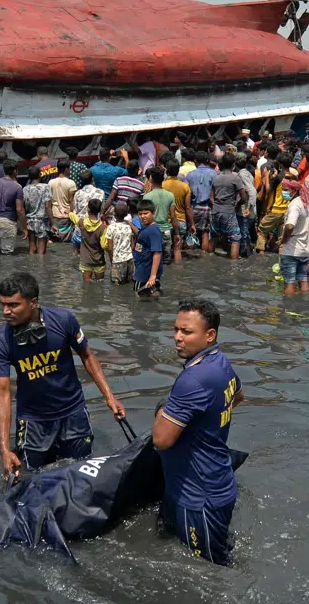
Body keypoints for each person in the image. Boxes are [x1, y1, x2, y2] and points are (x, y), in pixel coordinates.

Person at [0, 272, 126, 476]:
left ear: (33, 303)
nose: (6, 311)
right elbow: (2, 393)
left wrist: (110, 398)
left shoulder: (64, 320)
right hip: (33, 421)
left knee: (83, 473)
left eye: (13, 305)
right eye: (3, 305)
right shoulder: (1, 340)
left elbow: (87, 356)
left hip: (73, 414)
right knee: (30, 478)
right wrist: (4, 450)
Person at [151, 299, 243, 565]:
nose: (177, 337)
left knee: (209, 570)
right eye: (176, 329)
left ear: (209, 335)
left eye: (187, 332)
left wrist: (162, 411)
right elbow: (238, 396)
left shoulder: (192, 380)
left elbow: (161, 440)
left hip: (199, 497)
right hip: (213, 480)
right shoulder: (220, 361)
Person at [278, 175, 309, 295]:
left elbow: (289, 226)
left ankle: (288, 305)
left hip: (291, 250)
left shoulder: (294, 205)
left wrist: (283, 241)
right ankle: (305, 302)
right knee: (303, 280)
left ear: (294, 190)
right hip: (304, 250)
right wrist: (305, 229)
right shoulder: (305, 202)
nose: (283, 192)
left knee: (289, 282)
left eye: (285, 189)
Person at [209, 153, 248, 260]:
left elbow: (211, 198)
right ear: (233, 165)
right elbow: (244, 198)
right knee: (235, 238)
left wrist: (217, 205)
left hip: (215, 211)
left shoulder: (216, 178)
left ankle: (208, 258)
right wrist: (237, 205)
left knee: (214, 236)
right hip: (228, 212)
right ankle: (234, 265)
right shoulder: (236, 179)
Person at [133, 199, 165, 297]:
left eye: (146, 213)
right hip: (143, 268)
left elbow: (157, 253)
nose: (143, 216)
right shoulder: (146, 227)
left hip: (145, 272)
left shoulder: (153, 231)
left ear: (153, 213)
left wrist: (152, 276)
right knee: (151, 293)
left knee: (138, 295)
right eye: (140, 214)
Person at [72, 198, 107, 282]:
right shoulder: (102, 228)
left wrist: (69, 212)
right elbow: (104, 246)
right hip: (98, 261)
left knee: (86, 284)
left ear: (88, 209)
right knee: (99, 283)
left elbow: (73, 216)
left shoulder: (82, 223)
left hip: (86, 260)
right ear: (99, 210)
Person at [104, 201, 135, 286]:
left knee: (116, 284)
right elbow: (132, 245)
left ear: (114, 214)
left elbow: (110, 247)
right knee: (129, 282)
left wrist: (112, 260)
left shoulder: (111, 228)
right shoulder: (128, 227)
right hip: (129, 259)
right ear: (126, 214)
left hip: (117, 261)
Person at [22, 171, 52, 255]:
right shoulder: (46, 187)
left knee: (32, 248)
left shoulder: (25, 189)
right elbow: (48, 207)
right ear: (39, 175)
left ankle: (31, 262)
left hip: (30, 221)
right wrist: (53, 223)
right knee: (41, 252)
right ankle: (40, 263)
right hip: (42, 221)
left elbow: (23, 207)